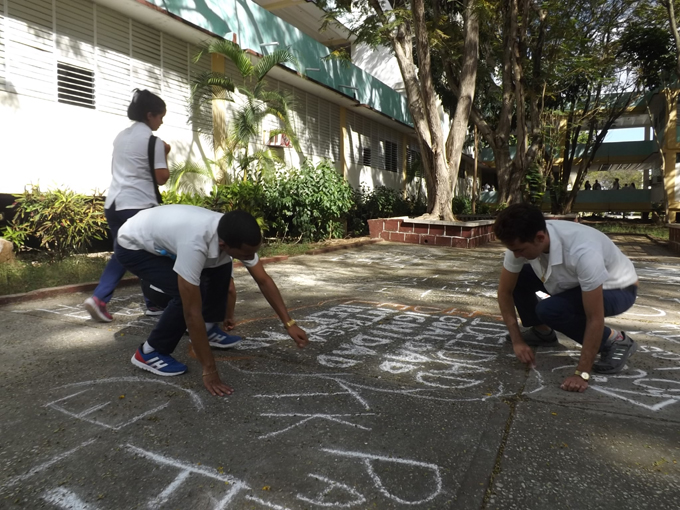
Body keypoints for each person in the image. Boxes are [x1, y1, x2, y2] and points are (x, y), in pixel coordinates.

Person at [115, 206, 309, 396]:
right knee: (186, 297)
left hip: (164, 231)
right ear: (224, 244)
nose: (251, 258)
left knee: (221, 270)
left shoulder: (233, 233)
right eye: (246, 255)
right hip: (133, 246)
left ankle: (207, 328)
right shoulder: (195, 243)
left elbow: (263, 280)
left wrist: (289, 323)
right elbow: (191, 313)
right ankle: (150, 352)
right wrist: (210, 369)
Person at [494, 203, 639, 393]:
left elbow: (594, 317)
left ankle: (615, 340)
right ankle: (542, 333)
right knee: (519, 277)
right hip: (570, 282)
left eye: (520, 250)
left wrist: (582, 374)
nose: (515, 255)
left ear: (540, 237)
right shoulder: (524, 240)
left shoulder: (583, 251)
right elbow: (504, 292)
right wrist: (517, 341)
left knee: (550, 309)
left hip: (617, 288)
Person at [84, 89, 170, 322]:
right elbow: (162, 177)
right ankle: (100, 298)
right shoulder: (154, 142)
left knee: (134, 251)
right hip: (139, 204)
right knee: (134, 254)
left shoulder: (121, 136)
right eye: (160, 116)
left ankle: (152, 303)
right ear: (149, 114)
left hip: (114, 203)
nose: (162, 121)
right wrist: (166, 154)